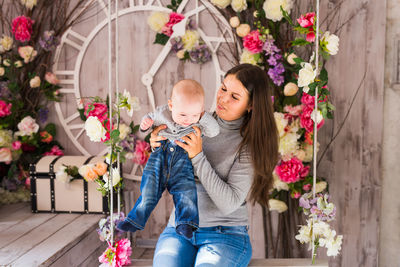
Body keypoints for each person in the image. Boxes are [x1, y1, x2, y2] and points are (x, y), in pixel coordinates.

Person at [151, 64, 279, 267]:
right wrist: (158, 147)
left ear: (251, 105)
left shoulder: (249, 145)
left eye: (235, 97)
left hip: (225, 235)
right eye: (223, 89)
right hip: (180, 230)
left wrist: (198, 157)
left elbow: (229, 203)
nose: (223, 98)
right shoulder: (192, 122)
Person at [118, 79, 219, 240]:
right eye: (183, 114)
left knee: (186, 192)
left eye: (194, 114)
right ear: (171, 106)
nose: (188, 119)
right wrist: (146, 123)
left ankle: (186, 223)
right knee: (148, 191)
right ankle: (135, 219)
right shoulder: (162, 113)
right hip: (159, 158)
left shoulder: (199, 121)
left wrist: (202, 115)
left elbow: (214, 131)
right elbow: (147, 122)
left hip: (182, 163)